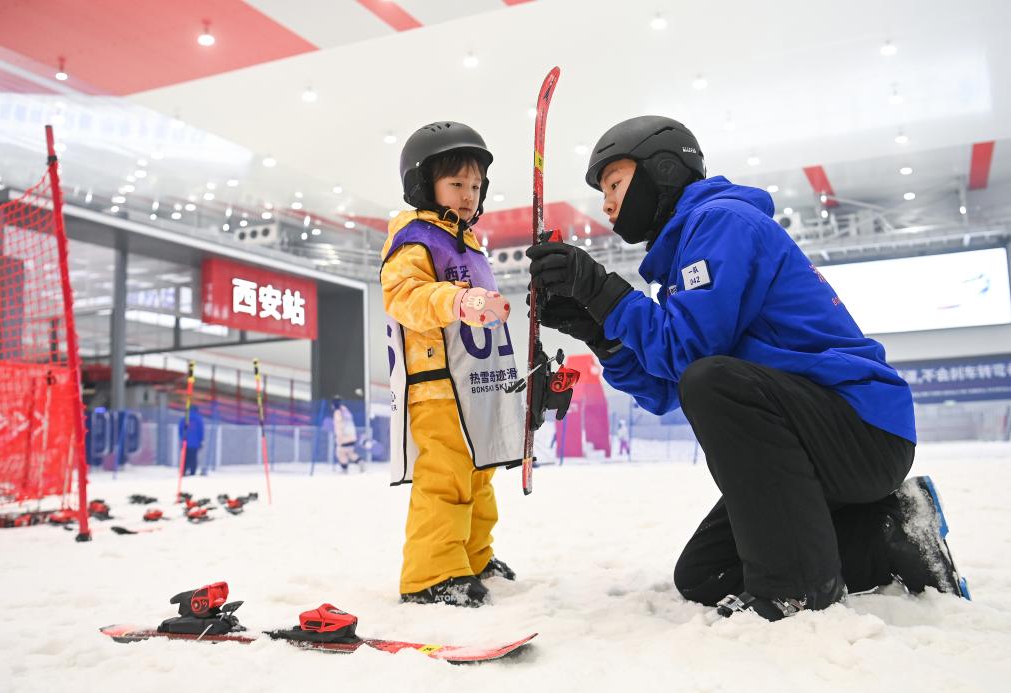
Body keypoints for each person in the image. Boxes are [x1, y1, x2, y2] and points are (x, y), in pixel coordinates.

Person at [527, 115, 970, 621]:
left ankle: (796, 589)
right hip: (817, 444)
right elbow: (666, 391)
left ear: (663, 171)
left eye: (614, 183)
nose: (606, 204)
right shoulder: (684, 258)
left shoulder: (724, 223)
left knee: (712, 379)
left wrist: (603, 291)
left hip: (860, 427)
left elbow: (693, 363)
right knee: (704, 576)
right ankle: (889, 532)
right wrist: (602, 334)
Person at [382, 121, 523, 607]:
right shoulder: (417, 239)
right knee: (445, 478)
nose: (469, 195)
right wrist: (456, 302)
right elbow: (402, 295)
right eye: (457, 184)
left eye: (476, 186)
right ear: (424, 184)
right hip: (437, 386)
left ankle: (472, 557)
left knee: (479, 474)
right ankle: (431, 574)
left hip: (474, 385)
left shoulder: (469, 242)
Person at [331, 396, 363, 473]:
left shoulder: (337, 413)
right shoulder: (345, 410)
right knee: (350, 452)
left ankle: (344, 468)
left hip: (344, 437)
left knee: (340, 453)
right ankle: (360, 462)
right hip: (352, 436)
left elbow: (339, 426)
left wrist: (338, 437)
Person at [178, 405, 204, 476]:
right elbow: (200, 431)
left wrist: (182, 438)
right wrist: (201, 440)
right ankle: (193, 472)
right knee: (193, 458)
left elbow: (180, 430)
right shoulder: (198, 419)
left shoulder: (184, 418)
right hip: (195, 443)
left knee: (185, 457)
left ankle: (183, 471)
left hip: (185, 442)